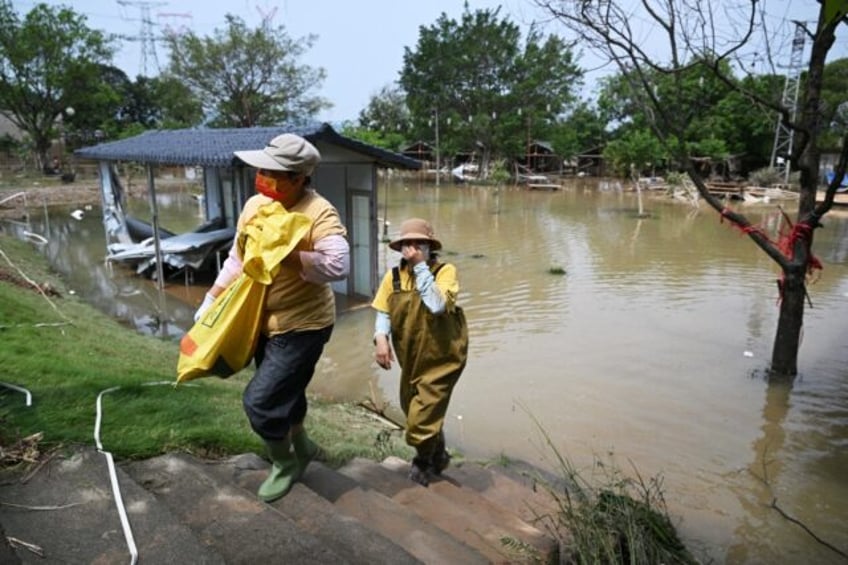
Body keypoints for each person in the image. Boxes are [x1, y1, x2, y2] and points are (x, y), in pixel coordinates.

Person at [194, 133, 349, 502]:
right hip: (260, 318)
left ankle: (284, 462)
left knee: (261, 401)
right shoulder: (255, 206)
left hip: (304, 324)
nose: (263, 177)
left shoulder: (319, 212)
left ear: (299, 178)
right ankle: (302, 444)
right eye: (262, 170)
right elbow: (238, 258)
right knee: (286, 391)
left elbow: (338, 264)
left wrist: (288, 252)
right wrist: (211, 297)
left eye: (274, 172)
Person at [371, 218, 469, 486]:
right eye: (407, 244)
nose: (413, 249)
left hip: (443, 357)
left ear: (430, 247)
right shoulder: (392, 277)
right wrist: (381, 339)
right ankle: (439, 455)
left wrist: (420, 268)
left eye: (419, 244)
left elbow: (436, 305)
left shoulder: (444, 271)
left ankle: (423, 463)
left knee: (419, 421)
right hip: (412, 358)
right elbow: (383, 312)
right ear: (400, 248)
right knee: (411, 406)